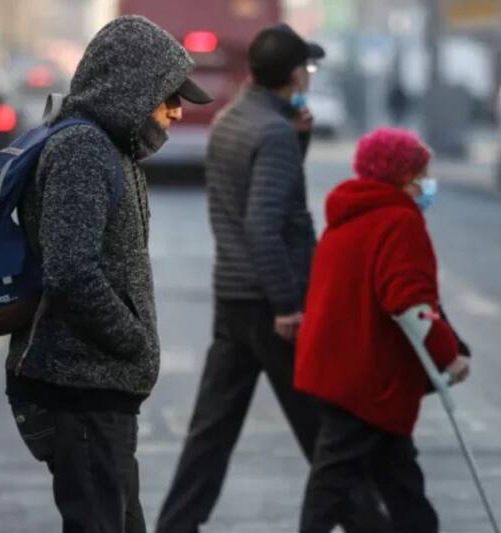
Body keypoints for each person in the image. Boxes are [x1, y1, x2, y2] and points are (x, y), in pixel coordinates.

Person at [155, 24, 386, 533]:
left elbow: (253, 198)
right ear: (293, 75)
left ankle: (175, 526)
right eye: (307, 67)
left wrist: (298, 139)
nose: (309, 76)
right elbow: (265, 224)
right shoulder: (273, 133)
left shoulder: (233, 120)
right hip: (270, 305)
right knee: (324, 433)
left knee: (210, 435)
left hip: (232, 298)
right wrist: (287, 304)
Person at [4, 15, 213, 532]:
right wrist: (131, 340)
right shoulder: (83, 150)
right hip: (82, 383)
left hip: (102, 386)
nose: (177, 110)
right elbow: (71, 270)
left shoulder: (112, 149)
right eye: (169, 97)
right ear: (132, 87)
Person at [295, 127, 471, 533]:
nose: (427, 185)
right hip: (368, 378)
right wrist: (449, 356)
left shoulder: (347, 217)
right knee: (335, 483)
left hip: (337, 367)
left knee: (397, 482)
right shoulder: (399, 221)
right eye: (422, 176)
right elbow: (411, 303)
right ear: (403, 177)